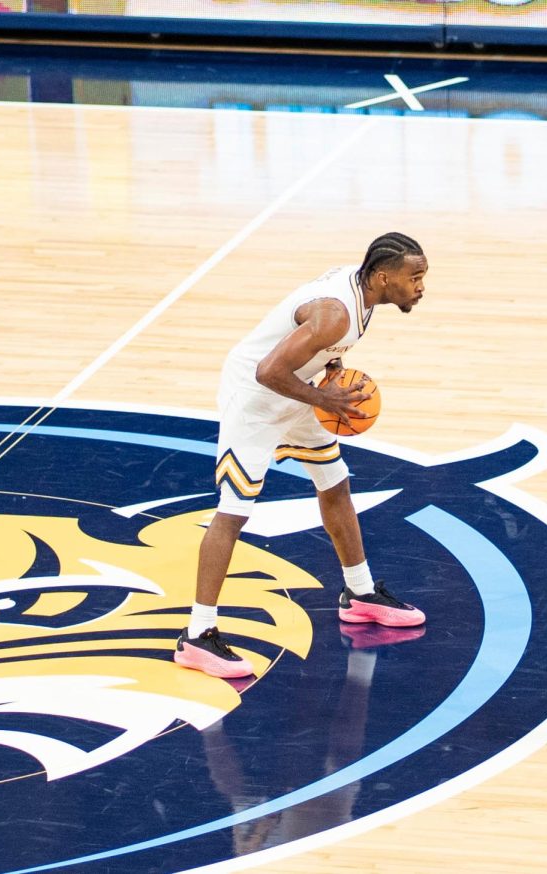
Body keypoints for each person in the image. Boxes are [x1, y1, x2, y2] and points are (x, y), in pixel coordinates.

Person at [174, 232, 429, 679]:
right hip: (255, 399)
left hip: (296, 392)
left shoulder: (363, 291)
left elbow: (306, 349)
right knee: (233, 512)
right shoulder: (336, 312)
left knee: (335, 482)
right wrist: (326, 401)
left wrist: (327, 374)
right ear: (385, 277)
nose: (421, 286)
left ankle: (360, 594)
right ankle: (197, 635)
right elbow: (268, 369)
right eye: (415, 277)